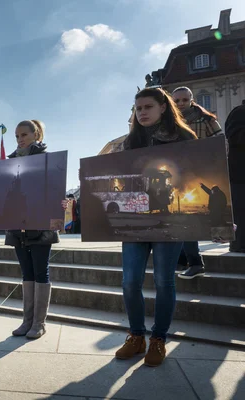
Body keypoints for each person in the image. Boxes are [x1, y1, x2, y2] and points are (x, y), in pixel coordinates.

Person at [115, 88, 197, 367]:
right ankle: (136, 336)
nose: (142, 112)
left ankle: (158, 339)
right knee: (129, 281)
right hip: (136, 219)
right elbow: (121, 180)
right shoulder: (130, 142)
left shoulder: (185, 138)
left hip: (170, 219)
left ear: (164, 107)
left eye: (148, 106)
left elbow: (197, 177)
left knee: (164, 281)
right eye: (138, 108)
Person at [0, 120, 61, 340]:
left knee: (41, 272)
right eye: (17, 136)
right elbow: (1, 194)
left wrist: (61, 205)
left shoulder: (48, 160)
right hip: (17, 226)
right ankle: (27, 320)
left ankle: (39, 323)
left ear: (36, 135)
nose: (20, 139)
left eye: (24, 134)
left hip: (40, 226)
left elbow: (53, 191)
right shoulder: (9, 162)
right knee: (27, 273)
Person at [172, 87, 223, 279]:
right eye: (176, 101)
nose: (181, 104)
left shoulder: (206, 119)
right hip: (179, 174)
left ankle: (194, 262)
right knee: (180, 216)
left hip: (201, 171)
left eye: (184, 100)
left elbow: (220, 140)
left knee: (187, 217)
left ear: (191, 100)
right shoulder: (171, 122)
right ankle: (184, 259)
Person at [225, 100, 245, 253]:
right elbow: (234, 137)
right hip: (240, 173)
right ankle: (238, 245)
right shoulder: (239, 112)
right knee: (240, 211)